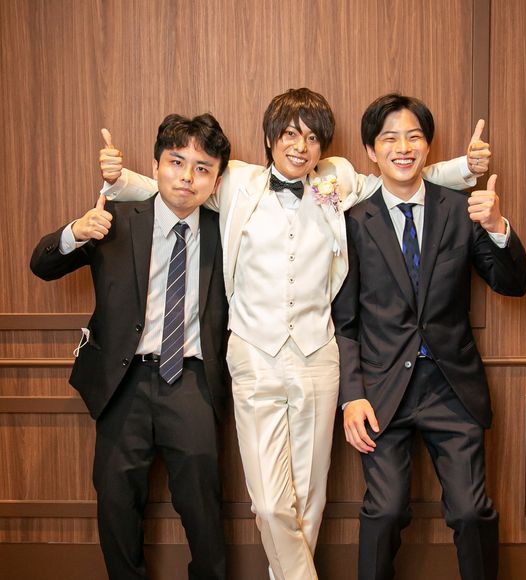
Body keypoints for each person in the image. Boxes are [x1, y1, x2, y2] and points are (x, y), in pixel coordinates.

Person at [98, 88, 489, 580]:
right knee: (269, 504)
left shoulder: (336, 178)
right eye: (289, 134)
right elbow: (179, 186)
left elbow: (399, 177)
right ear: (270, 138)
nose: (301, 146)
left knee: (309, 500)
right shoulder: (236, 181)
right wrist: (121, 180)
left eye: (312, 137)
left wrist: (464, 169)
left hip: (318, 355)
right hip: (254, 354)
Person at [331, 93, 526, 580]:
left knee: (470, 511)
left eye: (414, 137)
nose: (403, 148)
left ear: (428, 146)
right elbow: (345, 322)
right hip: (382, 390)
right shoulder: (354, 222)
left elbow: (514, 284)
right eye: (389, 139)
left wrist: (497, 226)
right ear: (371, 151)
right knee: (384, 511)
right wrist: (352, 396)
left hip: (451, 385)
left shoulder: (461, 210)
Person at [30, 114, 231, 580]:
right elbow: (42, 264)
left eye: (202, 168)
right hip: (123, 380)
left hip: (192, 379)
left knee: (202, 502)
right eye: (176, 162)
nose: (187, 176)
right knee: (116, 500)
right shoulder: (115, 220)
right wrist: (75, 232)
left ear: (217, 180)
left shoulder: (227, 232)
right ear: (155, 166)